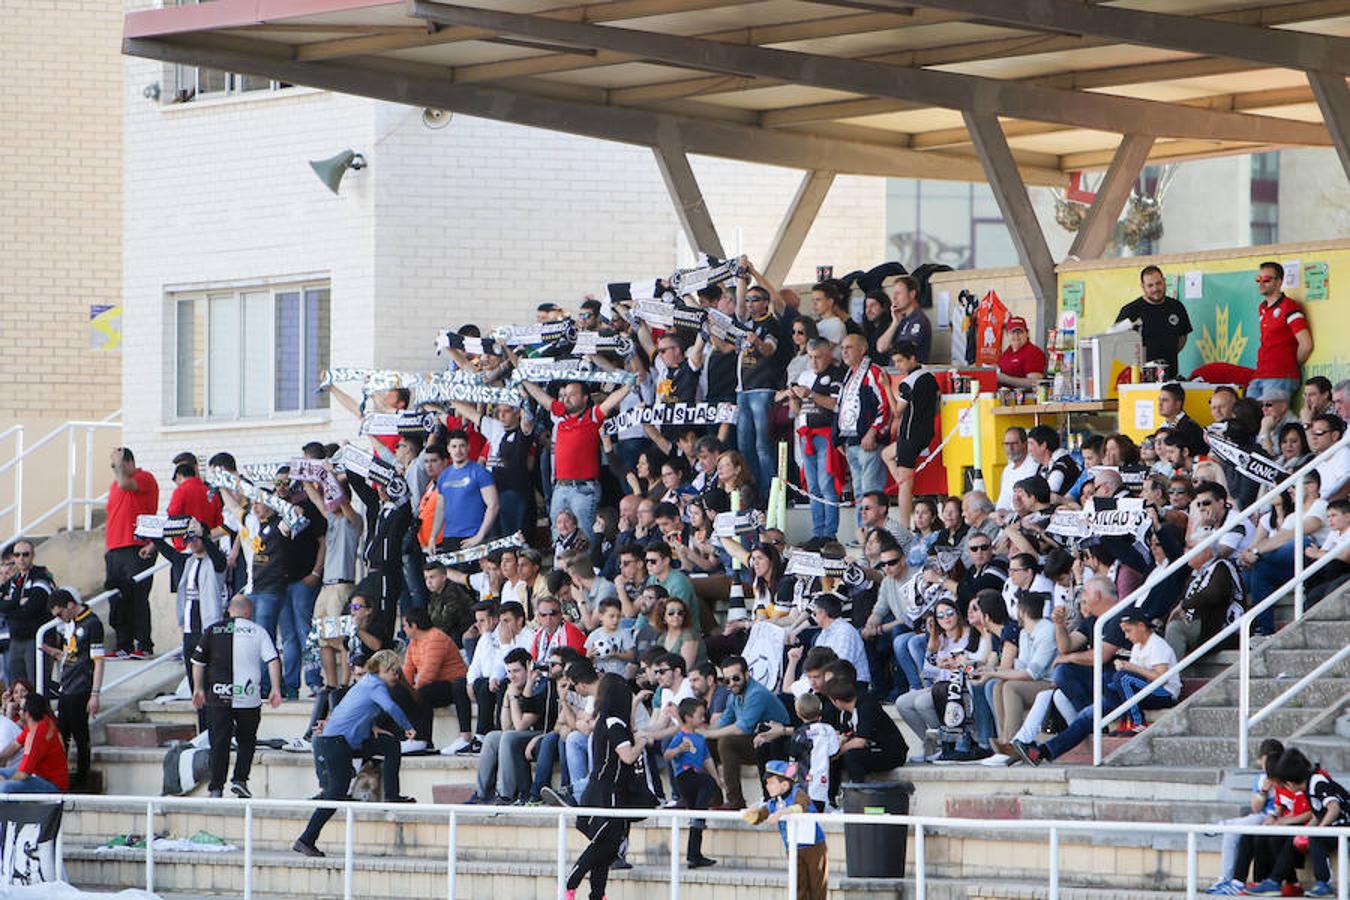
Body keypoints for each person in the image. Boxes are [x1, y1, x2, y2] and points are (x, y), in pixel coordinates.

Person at [293, 649, 415, 857]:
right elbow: (391, 707)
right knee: (336, 793)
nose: (397, 676)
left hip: (346, 741)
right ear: (384, 670)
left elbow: (357, 711)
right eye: (394, 671)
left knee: (390, 745)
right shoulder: (376, 685)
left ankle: (392, 796)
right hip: (336, 743)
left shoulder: (366, 682)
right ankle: (306, 839)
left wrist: (372, 725)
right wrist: (407, 727)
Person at [564, 673, 655, 900]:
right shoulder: (613, 723)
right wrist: (643, 741)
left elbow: (628, 728)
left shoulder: (610, 720)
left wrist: (634, 705)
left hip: (608, 791)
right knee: (604, 846)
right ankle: (569, 883)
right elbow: (627, 756)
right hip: (607, 793)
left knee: (609, 848)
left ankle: (597, 895)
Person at [515, 377, 631, 542]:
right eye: (565, 395)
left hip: (584, 489)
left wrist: (629, 385)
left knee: (586, 536)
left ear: (585, 398)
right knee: (557, 534)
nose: (566, 398)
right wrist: (524, 379)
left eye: (572, 395)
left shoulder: (592, 416)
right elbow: (542, 397)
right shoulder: (561, 415)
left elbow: (610, 402)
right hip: (560, 487)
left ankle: (591, 566)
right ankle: (560, 567)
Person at [191, 594, 283, 799]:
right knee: (247, 740)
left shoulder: (213, 630)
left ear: (229, 610)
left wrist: (198, 688)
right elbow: (273, 660)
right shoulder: (258, 631)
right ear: (249, 611)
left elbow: (197, 662)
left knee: (219, 741)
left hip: (218, 695)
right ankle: (240, 780)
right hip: (248, 697)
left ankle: (216, 787)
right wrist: (275, 688)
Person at [1244, 748, 1348, 898]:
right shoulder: (1309, 786)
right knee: (1296, 838)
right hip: (1334, 827)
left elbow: (1333, 808)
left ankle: (1324, 884)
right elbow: (1318, 814)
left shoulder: (1318, 781)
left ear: (1290, 783)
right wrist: (1306, 830)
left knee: (1315, 838)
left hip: (1344, 826)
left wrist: (1318, 830)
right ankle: (1275, 881)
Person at [700, 655, 790, 809]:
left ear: (747, 675)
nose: (731, 684)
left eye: (735, 678)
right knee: (704, 743)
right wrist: (700, 733)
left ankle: (735, 800)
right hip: (755, 741)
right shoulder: (733, 695)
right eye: (727, 681)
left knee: (727, 742)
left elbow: (742, 728)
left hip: (775, 743)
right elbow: (723, 722)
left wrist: (709, 733)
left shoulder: (756, 693)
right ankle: (713, 799)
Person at [474, 647, 553, 804]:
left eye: (516, 671)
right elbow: (506, 727)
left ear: (529, 667)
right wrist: (507, 698)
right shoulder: (512, 686)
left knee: (509, 738)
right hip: (521, 733)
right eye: (509, 672)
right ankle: (483, 795)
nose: (512, 676)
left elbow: (521, 726)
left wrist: (514, 696)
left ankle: (506, 795)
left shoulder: (540, 686)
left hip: (540, 734)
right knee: (491, 737)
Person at [741, 759, 828, 900]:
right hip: (793, 848)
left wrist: (783, 812)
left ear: (785, 784)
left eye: (770, 783)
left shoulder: (798, 794)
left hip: (814, 846)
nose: (767, 786)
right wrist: (750, 813)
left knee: (817, 886)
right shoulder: (773, 803)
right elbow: (759, 817)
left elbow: (801, 806)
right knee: (798, 886)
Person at [103, 447, 159, 659]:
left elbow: (126, 483)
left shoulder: (144, 477)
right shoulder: (115, 486)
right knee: (117, 599)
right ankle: (123, 645)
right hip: (115, 549)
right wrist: (108, 549)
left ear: (127, 463)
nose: (114, 471)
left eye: (116, 465)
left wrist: (119, 465)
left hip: (136, 546)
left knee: (137, 597)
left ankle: (143, 644)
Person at [46, 588, 104, 791]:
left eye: (60, 614)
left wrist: (95, 693)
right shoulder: (72, 624)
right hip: (67, 686)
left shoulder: (92, 623)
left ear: (70, 605)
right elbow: (72, 656)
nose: (60, 619)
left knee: (80, 736)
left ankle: (82, 780)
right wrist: (56, 653)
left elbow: (98, 661)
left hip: (82, 688)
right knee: (63, 734)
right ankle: (61, 778)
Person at [735, 280, 788, 501]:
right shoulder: (745, 323)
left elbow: (768, 350)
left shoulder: (771, 324)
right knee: (744, 445)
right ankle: (753, 492)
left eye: (754, 300)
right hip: (743, 390)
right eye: (747, 300)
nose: (749, 304)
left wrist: (756, 341)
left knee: (762, 445)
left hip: (762, 388)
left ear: (766, 303)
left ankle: (770, 493)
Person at [789, 338, 846, 541]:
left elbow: (834, 404)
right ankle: (817, 532)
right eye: (811, 357)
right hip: (806, 435)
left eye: (818, 357)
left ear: (828, 355)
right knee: (812, 487)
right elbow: (796, 411)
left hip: (824, 435)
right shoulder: (804, 375)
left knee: (826, 485)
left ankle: (829, 534)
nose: (814, 361)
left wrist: (810, 394)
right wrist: (793, 397)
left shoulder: (836, 374)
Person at [663, 697, 724, 869]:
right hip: (685, 777)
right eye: (700, 715)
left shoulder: (700, 738)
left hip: (696, 777)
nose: (703, 718)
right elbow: (667, 754)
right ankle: (699, 817)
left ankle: (694, 855)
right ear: (688, 717)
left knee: (697, 816)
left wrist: (718, 780)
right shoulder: (681, 735)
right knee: (706, 785)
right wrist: (679, 749)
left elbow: (707, 760)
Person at [883, 339, 939, 526]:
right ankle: (899, 477)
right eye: (895, 362)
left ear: (912, 359)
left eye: (900, 361)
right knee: (886, 454)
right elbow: (937, 407)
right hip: (926, 432)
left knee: (905, 487)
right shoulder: (930, 377)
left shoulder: (907, 382)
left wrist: (886, 386)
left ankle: (905, 526)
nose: (897, 366)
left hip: (909, 434)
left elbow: (897, 411)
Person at [402, 607, 471, 754]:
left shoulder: (436, 638)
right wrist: (404, 690)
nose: (403, 629)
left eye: (405, 626)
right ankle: (413, 739)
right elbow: (407, 671)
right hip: (436, 685)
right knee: (403, 694)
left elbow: (428, 675)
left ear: (414, 625)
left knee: (421, 693)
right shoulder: (413, 642)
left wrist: (411, 692)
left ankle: (422, 739)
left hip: (454, 684)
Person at [834, 333, 892, 508]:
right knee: (859, 493)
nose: (844, 352)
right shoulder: (849, 375)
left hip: (869, 442)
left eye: (849, 348)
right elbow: (841, 408)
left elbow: (885, 404)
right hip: (851, 442)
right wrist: (838, 437)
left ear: (862, 349)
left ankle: (875, 534)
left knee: (871, 492)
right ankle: (863, 534)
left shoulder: (873, 372)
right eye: (842, 348)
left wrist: (873, 432)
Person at [1250, 260, 1313, 401]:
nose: (1261, 283)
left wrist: (1289, 364)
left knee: (1272, 420)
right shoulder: (1262, 308)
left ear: (1279, 282)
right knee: (1245, 417)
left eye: (1266, 279)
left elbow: (1306, 344)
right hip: (1260, 374)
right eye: (1258, 279)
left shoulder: (1289, 307)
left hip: (1280, 376)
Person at [1114, 265, 1192, 378]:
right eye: (1150, 285)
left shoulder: (1176, 307)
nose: (1155, 288)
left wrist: (1169, 353)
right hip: (1140, 378)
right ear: (1143, 287)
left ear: (1164, 282)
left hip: (1170, 376)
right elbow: (1116, 340)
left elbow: (1182, 336)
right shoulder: (1130, 311)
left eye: (1158, 283)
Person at [428, 430, 499, 553]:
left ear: (468, 447)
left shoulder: (479, 472)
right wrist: (433, 537)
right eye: (454, 446)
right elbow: (440, 508)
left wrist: (480, 535)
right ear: (448, 449)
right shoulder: (444, 475)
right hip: (449, 537)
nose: (458, 450)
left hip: (473, 535)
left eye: (462, 446)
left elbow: (494, 505)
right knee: (451, 572)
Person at [826, 676, 906, 783]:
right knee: (832, 761)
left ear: (837, 701)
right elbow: (847, 736)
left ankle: (859, 792)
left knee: (852, 756)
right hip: (870, 750)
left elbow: (860, 741)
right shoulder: (846, 714)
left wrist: (837, 751)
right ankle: (831, 797)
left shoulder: (866, 705)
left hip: (890, 751)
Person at [0, 539, 52, 686]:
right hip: (16, 639)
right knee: (16, 686)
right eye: (17, 555)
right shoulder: (14, 580)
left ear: (33, 555)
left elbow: (31, 609)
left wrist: (9, 605)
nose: (21, 558)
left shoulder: (41, 577)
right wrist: (17, 602)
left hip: (36, 639)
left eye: (25, 554)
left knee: (36, 685)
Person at [0, 693, 67, 794]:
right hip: (39, 777)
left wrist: (5, 781)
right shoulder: (39, 721)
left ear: (28, 713)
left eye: (21, 709)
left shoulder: (37, 734)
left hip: (53, 785)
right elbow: (14, 745)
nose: (19, 712)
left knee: (5, 787)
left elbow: (23, 774)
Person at [810, 593, 870, 689]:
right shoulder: (823, 633)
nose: (814, 617)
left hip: (851, 684)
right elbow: (815, 662)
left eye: (815, 613)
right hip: (830, 681)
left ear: (823, 613)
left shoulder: (845, 631)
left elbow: (842, 665)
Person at [876, 275, 932, 363]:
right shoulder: (899, 319)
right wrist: (895, 323)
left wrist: (891, 346)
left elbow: (903, 351)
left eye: (898, 293)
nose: (894, 298)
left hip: (910, 374)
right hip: (896, 373)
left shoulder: (918, 320)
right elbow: (881, 348)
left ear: (912, 294)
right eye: (893, 294)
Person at [995, 427, 1040, 513]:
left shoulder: (1033, 465)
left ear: (1025, 444)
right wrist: (1000, 511)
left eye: (1014, 443)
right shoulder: (1007, 470)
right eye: (1006, 444)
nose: (1010, 448)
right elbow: (1003, 499)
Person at [996, 316, 1047, 389]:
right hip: (1005, 397)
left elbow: (1035, 382)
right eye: (1012, 332)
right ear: (1007, 334)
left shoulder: (1033, 352)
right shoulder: (1008, 352)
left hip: (1025, 399)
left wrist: (1005, 379)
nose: (1016, 336)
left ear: (1027, 333)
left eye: (1020, 332)